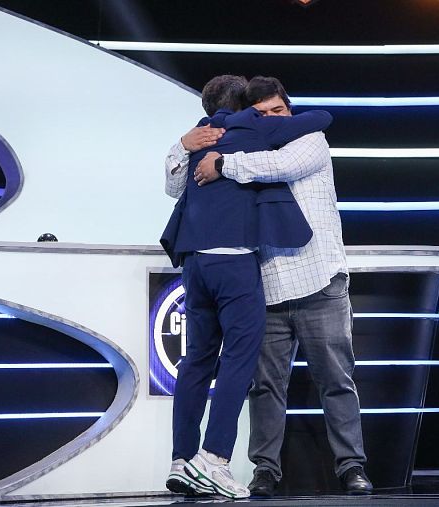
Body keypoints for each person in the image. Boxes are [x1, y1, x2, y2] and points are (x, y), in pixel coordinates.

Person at [188, 76, 373, 496]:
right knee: (265, 388)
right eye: (263, 114)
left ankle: (352, 467)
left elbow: (282, 166)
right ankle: (265, 471)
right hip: (266, 287)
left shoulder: (311, 139)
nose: (272, 120)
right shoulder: (245, 144)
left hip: (320, 281)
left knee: (337, 380)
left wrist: (222, 164)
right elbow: (185, 179)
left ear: (290, 110)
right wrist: (195, 148)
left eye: (279, 111)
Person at [162, 74, 332, 499]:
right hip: (234, 263)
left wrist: (184, 143)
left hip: (193, 265)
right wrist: (260, 118)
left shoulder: (196, 140)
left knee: (197, 361)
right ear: (247, 106)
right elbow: (322, 117)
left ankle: (181, 460)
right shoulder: (250, 126)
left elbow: (171, 189)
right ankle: (214, 459)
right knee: (239, 360)